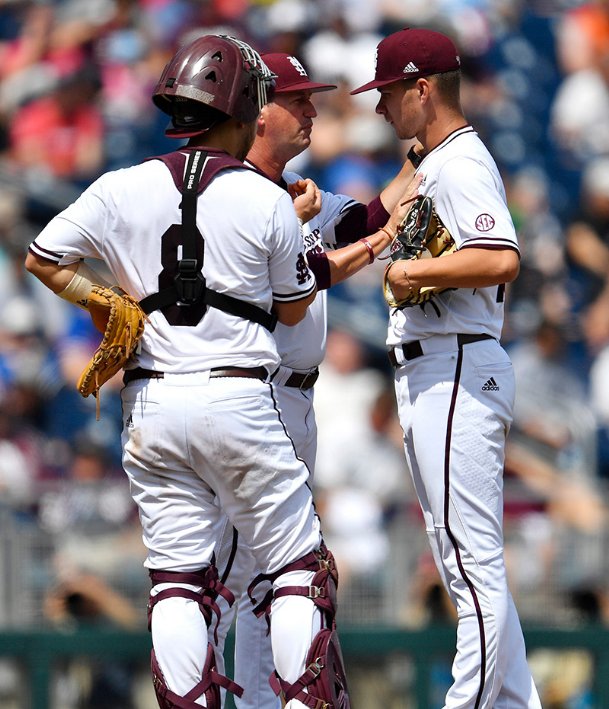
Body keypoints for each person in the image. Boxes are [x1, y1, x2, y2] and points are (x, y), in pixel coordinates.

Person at [25, 34, 349, 709]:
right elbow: (293, 315)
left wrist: (107, 299)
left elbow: (43, 255)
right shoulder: (265, 199)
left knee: (176, 579)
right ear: (242, 108)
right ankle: (297, 702)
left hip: (151, 405)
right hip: (238, 395)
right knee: (296, 564)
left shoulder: (121, 185)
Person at [211, 52, 420, 708]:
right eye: (296, 99)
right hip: (247, 393)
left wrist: (427, 153)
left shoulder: (293, 190)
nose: (310, 110)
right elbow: (297, 279)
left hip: (295, 401)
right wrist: (371, 238)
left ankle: (261, 701)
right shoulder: (228, 192)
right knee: (236, 574)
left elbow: (361, 218)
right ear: (258, 113)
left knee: (266, 579)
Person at [350, 27, 542, 708]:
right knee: (467, 562)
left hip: (455, 366)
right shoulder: (434, 160)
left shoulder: (461, 162)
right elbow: (370, 234)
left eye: (388, 93)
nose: (379, 108)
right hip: (438, 366)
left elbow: (500, 256)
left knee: (469, 563)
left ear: (421, 89)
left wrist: (416, 267)